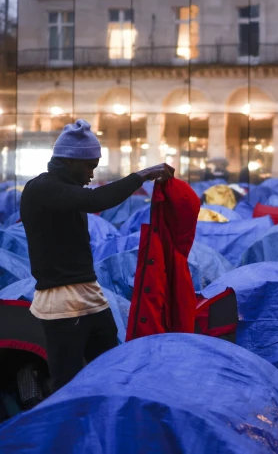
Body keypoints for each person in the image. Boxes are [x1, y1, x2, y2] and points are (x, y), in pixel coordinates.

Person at [20, 119, 174, 391]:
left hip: (90, 293)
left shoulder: (66, 192)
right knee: (67, 382)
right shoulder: (41, 189)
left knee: (109, 370)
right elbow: (95, 201)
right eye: (89, 166)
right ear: (70, 161)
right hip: (60, 302)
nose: (91, 174)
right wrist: (142, 175)